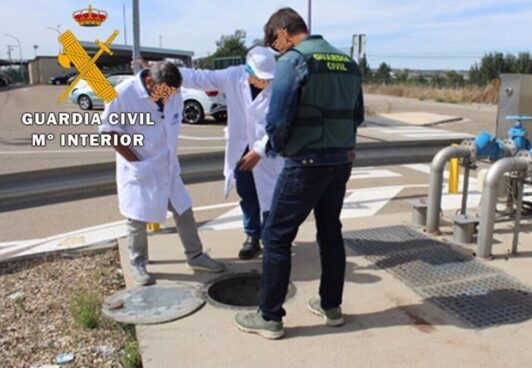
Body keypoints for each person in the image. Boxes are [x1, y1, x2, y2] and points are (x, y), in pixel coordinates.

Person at [234, 8, 364, 339]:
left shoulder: (293, 61)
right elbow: (357, 116)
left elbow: (277, 119)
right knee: (331, 232)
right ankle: (330, 307)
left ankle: (270, 317)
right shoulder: (348, 63)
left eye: (272, 40)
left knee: (275, 237)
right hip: (340, 162)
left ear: (284, 31)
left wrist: (277, 148)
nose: (273, 48)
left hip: (305, 162)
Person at [100, 61, 225, 286]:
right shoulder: (123, 94)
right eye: (164, 94)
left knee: (184, 210)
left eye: (172, 94)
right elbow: (110, 131)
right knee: (137, 218)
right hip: (140, 167)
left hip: (167, 167)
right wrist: (138, 163)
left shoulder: (171, 90)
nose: (168, 99)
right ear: (149, 82)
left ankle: (195, 255)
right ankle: (138, 263)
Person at [177, 47, 284, 260]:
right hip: (242, 147)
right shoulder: (234, 76)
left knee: (273, 196)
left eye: (266, 78)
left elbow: (282, 122)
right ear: (247, 70)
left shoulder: (280, 84)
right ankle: (252, 237)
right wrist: (170, 72)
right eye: (258, 77)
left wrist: (260, 150)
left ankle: (274, 241)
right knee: (247, 194)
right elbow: (200, 78)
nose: (263, 82)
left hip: (268, 148)